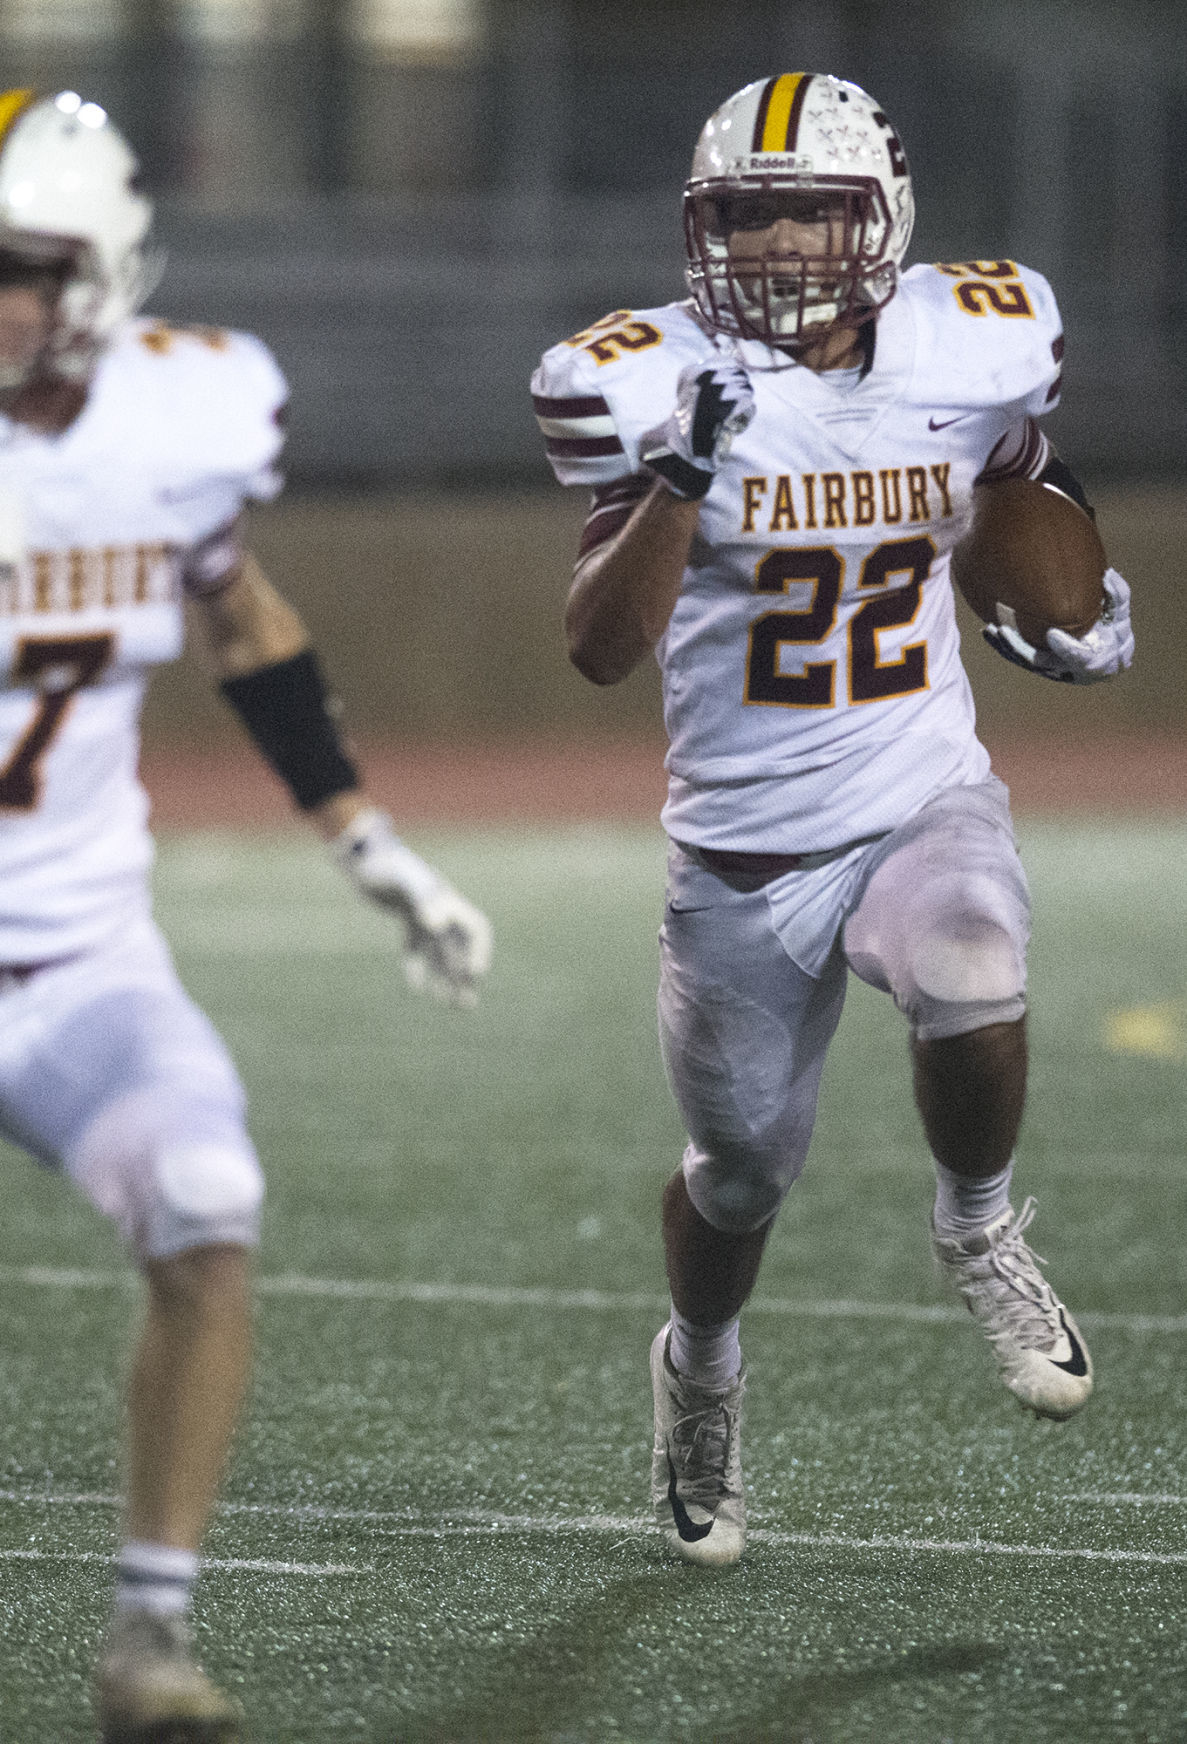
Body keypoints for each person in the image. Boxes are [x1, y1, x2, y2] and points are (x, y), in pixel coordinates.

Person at [532, 72, 1133, 1568]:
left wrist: (1063, 598)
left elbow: (1014, 483)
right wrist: (680, 469)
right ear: (700, 225)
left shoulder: (967, 341)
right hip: (742, 851)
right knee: (736, 1175)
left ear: (882, 220)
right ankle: (702, 1374)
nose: (782, 245)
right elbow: (601, 647)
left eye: (811, 211)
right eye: (748, 213)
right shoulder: (642, 381)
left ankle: (982, 1232)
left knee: (977, 963)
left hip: (918, 787)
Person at [0, 88, 492, 1739]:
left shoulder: (178, 419)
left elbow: (238, 613)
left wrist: (371, 846)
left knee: (208, 1198)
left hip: (73, 961)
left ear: (105, 272)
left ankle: (150, 1637)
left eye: (20, 265)